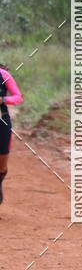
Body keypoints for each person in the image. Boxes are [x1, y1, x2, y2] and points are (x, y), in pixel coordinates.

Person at [0, 63, 23, 205]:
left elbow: (18, 97)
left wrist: (2, 100)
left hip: (2, 120)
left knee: (1, 166)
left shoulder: (3, 75)